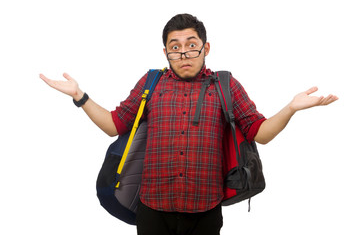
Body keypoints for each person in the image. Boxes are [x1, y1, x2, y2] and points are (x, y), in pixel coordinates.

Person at [40, 13, 338, 235]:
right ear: (166, 52)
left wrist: (291, 108)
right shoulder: (151, 82)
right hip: (152, 209)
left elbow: (261, 134)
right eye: (175, 47)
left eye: (191, 45)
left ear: (206, 48)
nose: (183, 54)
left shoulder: (225, 85)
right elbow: (114, 124)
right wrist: (80, 96)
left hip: (205, 210)